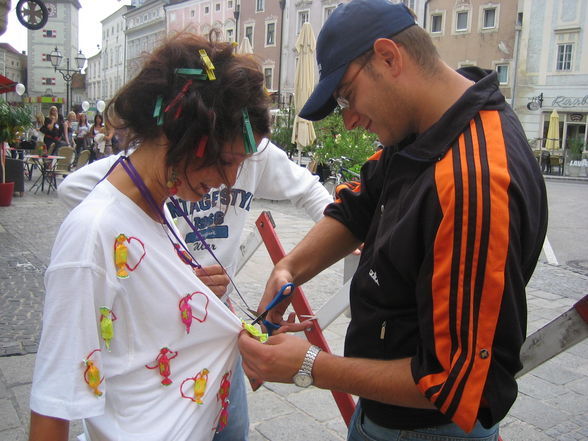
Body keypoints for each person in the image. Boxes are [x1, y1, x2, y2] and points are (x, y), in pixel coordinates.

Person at [238, 1, 548, 441]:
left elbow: (455, 383)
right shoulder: (427, 125)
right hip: (381, 412)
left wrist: (310, 365)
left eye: (347, 95)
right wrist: (287, 268)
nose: (348, 120)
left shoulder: (473, 181)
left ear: (389, 57)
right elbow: (358, 205)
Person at [29, 33, 272, 441]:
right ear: (179, 135)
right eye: (226, 160)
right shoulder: (92, 233)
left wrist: (184, 296)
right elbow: (53, 407)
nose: (228, 182)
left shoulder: (160, 210)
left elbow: (132, 326)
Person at [57, 112, 332, 441]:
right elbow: (74, 190)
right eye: (226, 161)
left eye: (240, 164)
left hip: (216, 320)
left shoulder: (256, 151)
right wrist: (171, 272)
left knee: (229, 429)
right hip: (167, 330)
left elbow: (311, 191)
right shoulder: (153, 169)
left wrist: (349, 235)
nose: (231, 178)